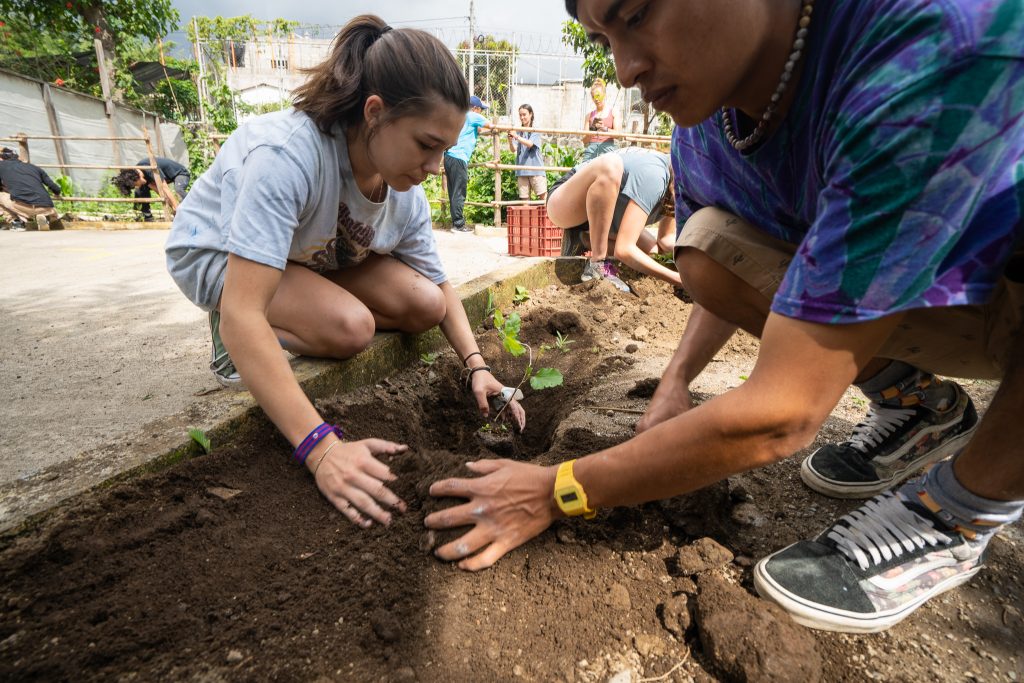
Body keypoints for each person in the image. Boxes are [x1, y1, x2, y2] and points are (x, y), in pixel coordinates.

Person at [424, 0, 1024, 636]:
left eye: (636, 14)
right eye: (602, 39)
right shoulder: (705, 131)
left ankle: (962, 508)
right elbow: (725, 280)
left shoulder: (925, 51)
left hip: (999, 285)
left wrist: (556, 490)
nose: (624, 69)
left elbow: (783, 412)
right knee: (706, 247)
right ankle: (918, 406)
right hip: (936, 283)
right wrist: (676, 379)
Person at [165, 15, 524, 529]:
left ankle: (305, 299)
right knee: (350, 327)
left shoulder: (404, 193)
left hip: (308, 257)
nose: (434, 167)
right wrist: (322, 448)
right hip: (218, 255)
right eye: (426, 144)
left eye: (444, 151)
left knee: (426, 304)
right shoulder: (287, 156)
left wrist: (478, 367)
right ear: (374, 113)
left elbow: (440, 286)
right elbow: (246, 312)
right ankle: (231, 347)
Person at [546, 146, 678, 293]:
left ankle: (583, 238)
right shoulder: (657, 175)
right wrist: (678, 279)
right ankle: (598, 263)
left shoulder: (678, 185)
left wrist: (692, 258)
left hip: (600, 218)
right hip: (566, 203)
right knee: (611, 165)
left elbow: (666, 238)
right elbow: (624, 249)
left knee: (653, 251)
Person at [443, 95, 493, 233]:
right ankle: (458, 225)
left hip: (449, 156)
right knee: (459, 191)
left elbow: (477, 130)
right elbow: (491, 125)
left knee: (453, 191)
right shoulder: (473, 116)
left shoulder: (460, 116)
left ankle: (455, 222)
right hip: (459, 157)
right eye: (481, 110)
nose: (481, 112)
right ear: (475, 108)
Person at [0, 147, 65, 231]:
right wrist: (57, 194)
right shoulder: (34, 167)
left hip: (23, 207)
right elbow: (55, 188)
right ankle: (46, 218)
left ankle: (16, 222)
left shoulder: (1, 166)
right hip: (46, 207)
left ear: (1, 158)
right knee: (47, 211)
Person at [110, 157, 190, 221]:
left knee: (179, 190)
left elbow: (165, 188)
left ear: (136, 178)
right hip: (167, 177)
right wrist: (171, 206)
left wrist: (176, 207)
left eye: (135, 184)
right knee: (140, 190)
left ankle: (191, 208)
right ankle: (147, 216)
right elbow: (160, 192)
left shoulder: (149, 169)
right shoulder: (142, 175)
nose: (136, 186)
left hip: (180, 173)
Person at [507, 103, 547, 201]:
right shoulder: (519, 131)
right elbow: (513, 149)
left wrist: (516, 136)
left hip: (536, 169)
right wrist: (510, 141)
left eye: (524, 114)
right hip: (522, 170)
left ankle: (547, 212)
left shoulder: (535, 129)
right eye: (520, 115)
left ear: (531, 114)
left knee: (543, 197)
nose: (522, 117)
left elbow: (530, 144)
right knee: (524, 200)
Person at [581, 78, 616, 161]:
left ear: (604, 94)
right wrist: (593, 129)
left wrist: (605, 129)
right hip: (591, 150)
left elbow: (618, 135)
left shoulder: (613, 112)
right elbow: (584, 140)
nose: (596, 99)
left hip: (607, 148)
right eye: (593, 97)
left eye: (598, 95)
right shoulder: (589, 116)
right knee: (583, 167)